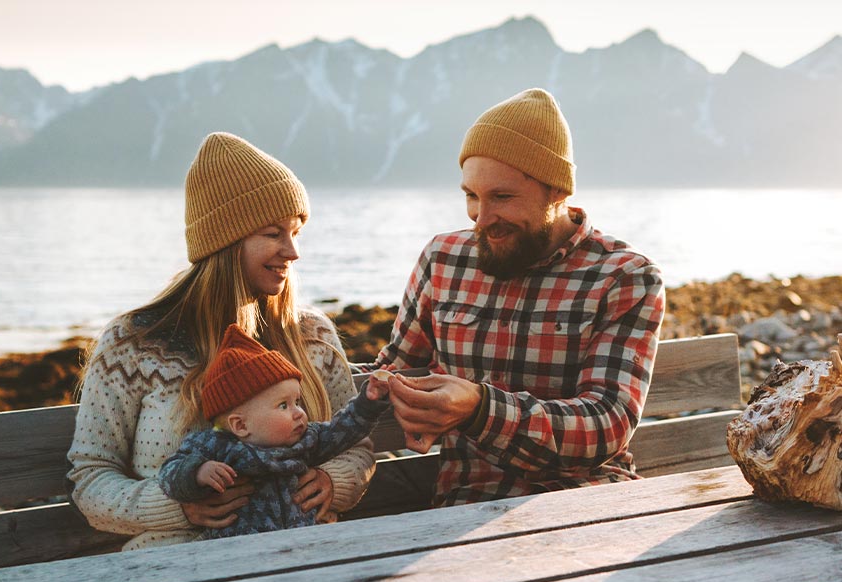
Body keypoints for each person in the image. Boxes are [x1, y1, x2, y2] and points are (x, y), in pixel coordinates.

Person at [355, 88, 666, 506]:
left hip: (582, 503)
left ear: (556, 191)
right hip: (462, 504)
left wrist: (480, 409)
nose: (481, 220)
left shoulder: (624, 277)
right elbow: (394, 370)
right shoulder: (443, 259)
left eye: (501, 197)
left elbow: (606, 425)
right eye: (470, 196)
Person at [67, 132, 376, 550]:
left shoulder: (312, 336)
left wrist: (331, 482)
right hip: (174, 569)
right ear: (225, 242)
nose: (292, 251)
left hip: (305, 559)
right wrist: (179, 505)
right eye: (273, 233)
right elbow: (91, 478)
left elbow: (355, 446)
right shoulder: (134, 343)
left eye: (295, 232)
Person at [157, 324, 391, 539]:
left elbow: (344, 429)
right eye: (283, 405)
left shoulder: (305, 440)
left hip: (301, 543)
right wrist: (197, 472)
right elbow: (169, 472)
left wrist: (368, 403)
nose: (299, 412)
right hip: (236, 552)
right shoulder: (215, 446)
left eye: (297, 402)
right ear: (240, 425)